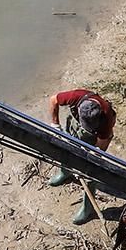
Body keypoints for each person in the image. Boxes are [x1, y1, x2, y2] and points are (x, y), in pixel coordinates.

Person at [47, 87, 118, 225]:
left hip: (93, 140)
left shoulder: (106, 119)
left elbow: (101, 147)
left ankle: (87, 208)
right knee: (66, 150)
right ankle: (65, 171)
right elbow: (53, 99)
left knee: (90, 173)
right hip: (74, 128)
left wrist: (90, 158)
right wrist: (55, 124)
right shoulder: (76, 96)